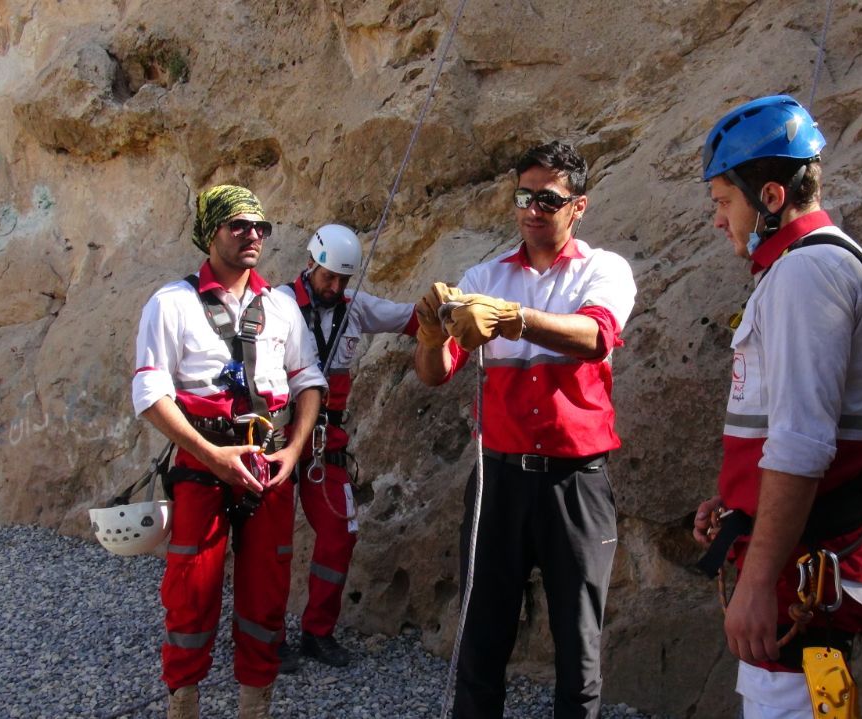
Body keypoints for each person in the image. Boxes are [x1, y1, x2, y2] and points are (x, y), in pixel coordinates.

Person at [690, 95, 862, 719]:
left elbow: (801, 445)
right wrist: (739, 499)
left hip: (803, 564)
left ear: (770, 197)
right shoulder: (816, 263)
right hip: (811, 546)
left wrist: (758, 582)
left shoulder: (805, 275)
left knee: (785, 703)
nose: (718, 221)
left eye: (723, 202)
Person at [414, 141, 637, 719]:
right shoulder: (483, 276)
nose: (533, 209)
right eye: (523, 196)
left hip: (575, 483)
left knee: (579, 651)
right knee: (481, 643)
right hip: (499, 481)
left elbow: (596, 337)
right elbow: (436, 374)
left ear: (578, 206)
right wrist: (431, 336)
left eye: (548, 199)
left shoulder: (604, 269)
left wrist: (515, 319)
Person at [131, 185, 326, 719]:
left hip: (269, 462)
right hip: (202, 462)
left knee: (267, 590)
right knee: (190, 589)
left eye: (261, 227)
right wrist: (209, 455)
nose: (253, 235)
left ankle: (254, 706)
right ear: (210, 232)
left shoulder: (280, 305)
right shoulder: (172, 303)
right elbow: (150, 392)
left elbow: (309, 380)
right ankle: (183, 702)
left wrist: (294, 450)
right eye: (239, 225)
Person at [273, 223, 417, 670]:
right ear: (310, 265)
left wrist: (449, 311)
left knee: (341, 533)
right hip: (278, 438)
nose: (335, 287)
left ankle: (318, 633)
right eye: (328, 277)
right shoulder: (277, 304)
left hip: (325, 443)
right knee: (271, 543)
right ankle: (266, 637)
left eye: (343, 279)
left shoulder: (355, 308)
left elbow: (411, 318)